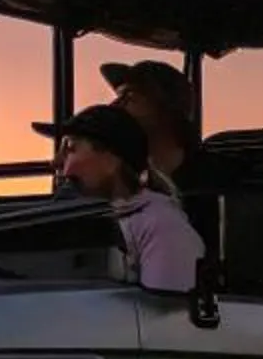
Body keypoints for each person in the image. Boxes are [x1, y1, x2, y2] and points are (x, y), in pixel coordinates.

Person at [44, 102, 205, 293]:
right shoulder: (75, 221)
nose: (55, 162)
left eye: (70, 148)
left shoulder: (162, 226)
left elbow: (165, 315)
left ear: (111, 160)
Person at [97, 57, 241, 200]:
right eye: (118, 96)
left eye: (130, 95)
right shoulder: (118, 183)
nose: (115, 105)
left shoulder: (222, 179)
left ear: (166, 108)